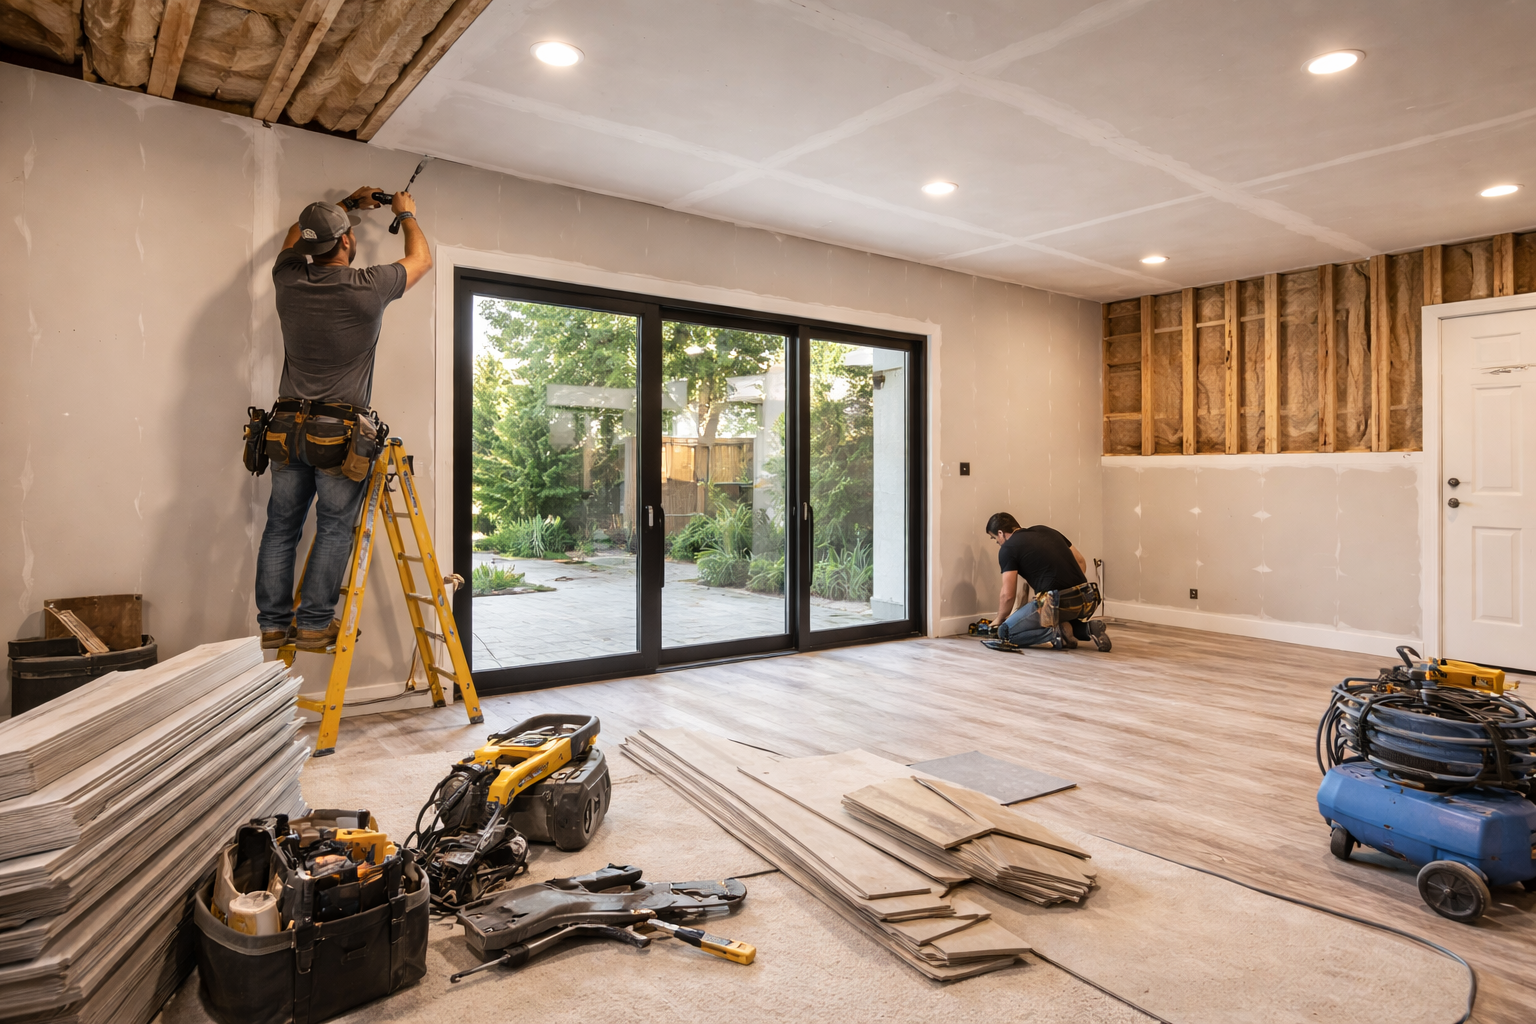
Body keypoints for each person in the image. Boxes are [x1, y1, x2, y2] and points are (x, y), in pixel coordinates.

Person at [254, 185, 432, 652]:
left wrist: (344, 207)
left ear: (311, 248)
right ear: (348, 243)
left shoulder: (287, 278)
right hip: (339, 433)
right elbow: (421, 260)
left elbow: (295, 237)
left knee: (280, 526)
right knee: (334, 526)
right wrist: (405, 214)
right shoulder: (367, 287)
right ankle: (314, 623)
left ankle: (273, 624)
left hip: (285, 429)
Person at [984, 513, 1111, 652]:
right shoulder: (1045, 530)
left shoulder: (1007, 548)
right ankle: (1086, 629)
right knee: (1052, 609)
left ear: (1001, 533)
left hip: (1055, 602)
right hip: (1087, 598)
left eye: (995, 538)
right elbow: (1081, 561)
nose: (998, 543)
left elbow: (1007, 595)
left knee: (1005, 632)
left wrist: (999, 620)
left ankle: (1059, 633)